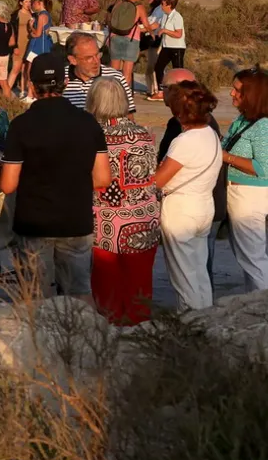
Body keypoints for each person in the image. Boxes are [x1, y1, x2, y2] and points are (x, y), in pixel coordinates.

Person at [0, 54, 111, 302]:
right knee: (79, 291)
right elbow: (103, 178)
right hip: (75, 219)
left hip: (33, 221)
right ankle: (82, 340)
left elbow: (8, 184)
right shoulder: (87, 122)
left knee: (36, 294)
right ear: (66, 83)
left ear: (31, 86)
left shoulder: (21, 125)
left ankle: (39, 340)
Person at [86, 77, 161, 325]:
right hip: (143, 219)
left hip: (104, 222)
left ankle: (109, 344)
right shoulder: (143, 133)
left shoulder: (92, 137)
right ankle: (140, 341)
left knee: (106, 287)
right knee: (139, 286)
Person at [154, 81, 222, 310]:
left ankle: (191, 323)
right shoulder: (210, 133)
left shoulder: (184, 141)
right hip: (204, 204)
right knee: (199, 270)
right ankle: (206, 319)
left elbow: (159, 180)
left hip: (182, 209)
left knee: (184, 276)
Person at [222, 69, 268, 292]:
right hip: (238, 194)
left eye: (237, 90)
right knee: (247, 257)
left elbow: (263, 168)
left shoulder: (263, 126)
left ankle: (262, 307)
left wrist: (225, 157)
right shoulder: (243, 119)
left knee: (253, 259)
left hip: (250, 197)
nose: (231, 93)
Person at [63, 32, 136, 114]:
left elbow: (129, 115)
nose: (96, 61)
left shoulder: (116, 78)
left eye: (97, 55)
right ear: (73, 60)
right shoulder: (60, 79)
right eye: (89, 58)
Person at [147, 0, 186, 102]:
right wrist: (143, 27)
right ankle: (161, 91)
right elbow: (156, 25)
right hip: (166, 46)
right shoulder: (164, 15)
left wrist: (165, 31)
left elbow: (178, 34)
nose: (161, 6)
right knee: (158, 67)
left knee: (178, 71)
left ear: (169, 5)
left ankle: (182, 94)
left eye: (163, 4)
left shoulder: (177, 17)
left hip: (177, 47)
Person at [6, 0, 33, 94]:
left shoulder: (32, 14)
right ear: (21, 3)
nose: (28, 4)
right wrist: (14, 46)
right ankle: (7, 91)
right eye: (26, 2)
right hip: (19, 44)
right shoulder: (16, 15)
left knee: (26, 69)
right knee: (16, 68)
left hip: (29, 43)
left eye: (30, 2)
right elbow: (11, 31)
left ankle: (23, 90)